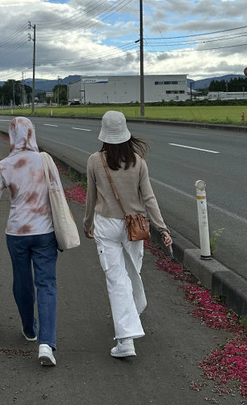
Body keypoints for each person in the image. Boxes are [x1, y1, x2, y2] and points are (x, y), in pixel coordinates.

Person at [83, 110, 173, 359]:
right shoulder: (138, 162)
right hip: (135, 226)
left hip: (106, 224)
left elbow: (91, 197)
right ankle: (133, 315)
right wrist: (162, 227)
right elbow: (149, 198)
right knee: (132, 273)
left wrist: (87, 223)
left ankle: (126, 341)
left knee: (116, 280)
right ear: (125, 133)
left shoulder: (94, 161)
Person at [0, 116, 60, 367]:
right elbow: (57, 192)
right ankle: (46, 344)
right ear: (32, 133)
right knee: (46, 283)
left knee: (22, 280)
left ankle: (30, 329)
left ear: (12, 136)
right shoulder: (45, 160)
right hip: (45, 231)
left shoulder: (4, 165)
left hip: (17, 233)